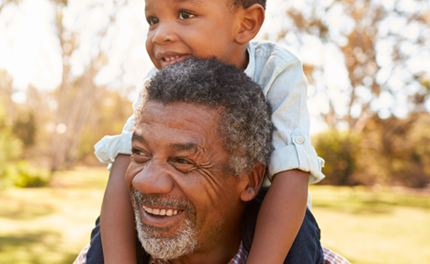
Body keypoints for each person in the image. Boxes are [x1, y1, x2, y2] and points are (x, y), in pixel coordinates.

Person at [89, 0, 326, 263]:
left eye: (185, 14)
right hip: (193, 218)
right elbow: (125, 156)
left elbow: (292, 172)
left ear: (246, 24)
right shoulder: (157, 82)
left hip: (267, 208)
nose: (160, 34)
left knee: (299, 228)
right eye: (152, 20)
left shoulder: (276, 69)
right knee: (109, 224)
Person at [76, 58, 348, 264]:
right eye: (140, 154)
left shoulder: (279, 70)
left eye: (182, 160)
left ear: (251, 180)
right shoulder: (94, 257)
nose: (146, 182)